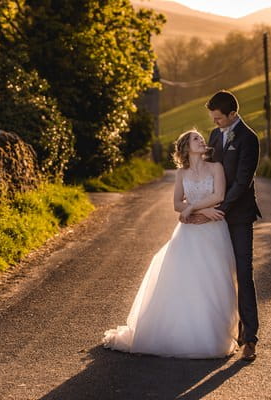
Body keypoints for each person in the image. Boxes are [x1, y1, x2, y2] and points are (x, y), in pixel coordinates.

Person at [102, 130, 239, 359]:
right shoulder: (181, 173)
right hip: (189, 231)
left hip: (213, 230)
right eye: (196, 139)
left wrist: (192, 208)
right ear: (186, 148)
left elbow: (219, 194)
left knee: (213, 279)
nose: (202, 140)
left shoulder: (215, 167)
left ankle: (213, 333)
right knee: (186, 280)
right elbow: (176, 203)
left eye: (201, 138)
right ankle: (184, 333)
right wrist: (195, 209)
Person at [186, 90, 262, 362]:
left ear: (232, 114)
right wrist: (196, 200)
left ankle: (250, 337)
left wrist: (217, 210)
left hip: (238, 217)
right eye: (213, 119)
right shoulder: (216, 135)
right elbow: (206, 172)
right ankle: (217, 332)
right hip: (213, 217)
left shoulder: (249, 139)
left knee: (243, 273)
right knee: (214, 274)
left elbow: (242, 183)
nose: (215, 123)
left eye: (219, 118)